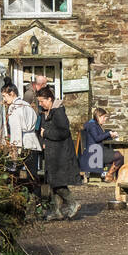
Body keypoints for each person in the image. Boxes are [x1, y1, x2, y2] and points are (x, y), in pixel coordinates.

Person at [36, 85, 80, 220]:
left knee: (58, 182)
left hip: (61, 154)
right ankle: (56, 210)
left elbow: (63, 132)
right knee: (53, 182)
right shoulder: (46, 112)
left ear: (50, 99)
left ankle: (73, 203)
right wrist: (42, 140)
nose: (40, 104)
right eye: (39, 101)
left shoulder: (58, 112)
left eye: (42, 101)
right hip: (52, 153)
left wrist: (46, 133)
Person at [2, 83, 43, 208]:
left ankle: (15, 201)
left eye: (5, 96)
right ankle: (37, 201)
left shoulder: (14, 108)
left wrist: (14, 150)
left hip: (22, 144)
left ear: (12, 94)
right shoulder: (26, 105)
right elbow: (35, 119)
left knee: (13, 174)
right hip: (32, 142)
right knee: (33, 174)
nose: (4, 100)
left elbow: (16, 131)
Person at [80, 107, 124, 182]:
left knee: (118, 155)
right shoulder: (92, 125)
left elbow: (100, 136)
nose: (105, 119)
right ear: (98, 116)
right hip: (95, 152)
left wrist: (111, 135)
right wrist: (108, 134)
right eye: (104, 117)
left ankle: (109, 175)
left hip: (98, 149)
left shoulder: (96, 125)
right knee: (119, 156)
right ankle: (109, 175)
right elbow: (97, 138)